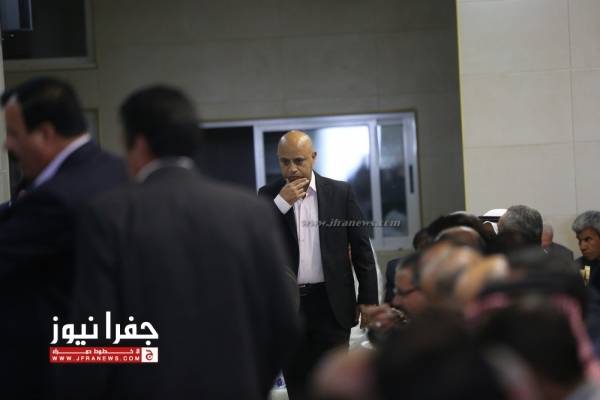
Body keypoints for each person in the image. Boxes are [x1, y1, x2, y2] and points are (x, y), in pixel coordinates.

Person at [59, 86, 300, 399]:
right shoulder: (250, 212)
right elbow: (283, 322)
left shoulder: (108, 215)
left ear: (138, 143)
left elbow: (94, 333)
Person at [0, 77, 127, 398]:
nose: (7, 145)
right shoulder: (119, 171)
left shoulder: (57, 197)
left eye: (13, 134)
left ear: (45, 133)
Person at [258, 130, 378, 399]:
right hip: (289, 305)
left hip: (331, 303)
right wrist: (281, 204)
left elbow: (361, 248)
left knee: (334, 386)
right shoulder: (268, 195)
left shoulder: (340, 192)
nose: (292, 169)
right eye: (285, 161)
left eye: (299, 161)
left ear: (313, 157)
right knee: (298, 385)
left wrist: (368, 298)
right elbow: (256, 237)